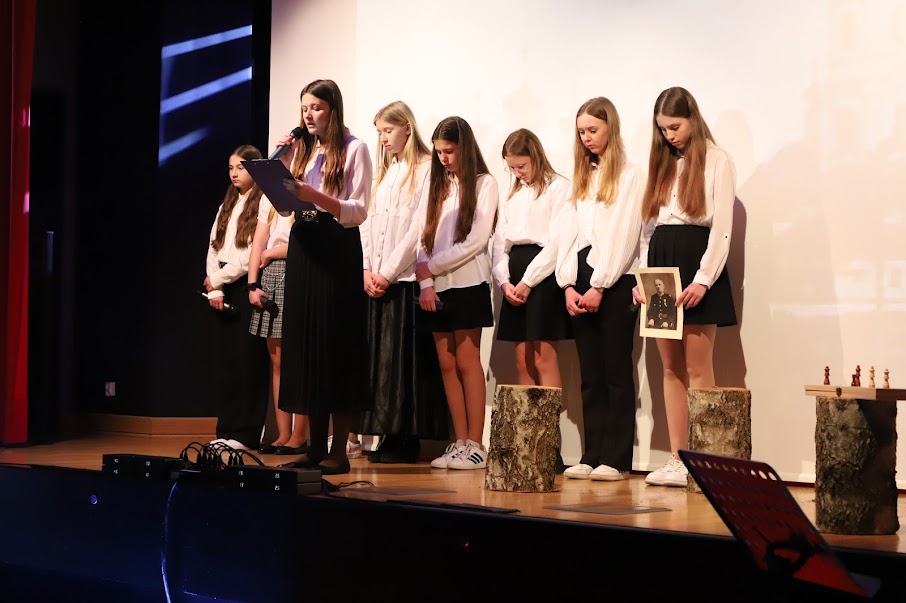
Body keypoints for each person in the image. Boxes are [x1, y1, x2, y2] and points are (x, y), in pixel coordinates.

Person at [632, 86, 737, 487]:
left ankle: (705, 459)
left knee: (697, 367)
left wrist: (703, 280)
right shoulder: (660, 164)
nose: (670, 135)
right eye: (663, 129)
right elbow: (647, 231)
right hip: (662, 265)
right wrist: (643, 279)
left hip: (696, 262)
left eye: (675, 126)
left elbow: (722, 229)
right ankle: (678, 458)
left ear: (692, 118)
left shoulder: (717, 159)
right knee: (670, 367)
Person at [274, 79, 373, 475]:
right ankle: (314, 447)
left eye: (316, 107)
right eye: (304, 108)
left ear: (333, 109)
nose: (308, 115)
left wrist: (314, 196)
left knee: (335, 344)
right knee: (308, 343)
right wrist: (280, 167)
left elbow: (357, 210)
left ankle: (338, 450)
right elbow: (286, 208)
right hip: (304, 246)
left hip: (336, 248)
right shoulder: (302, 151)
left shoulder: (354, 148)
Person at [556, 97, 643, 481]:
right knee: (590, 374)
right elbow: (568, 233)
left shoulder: (630, 175)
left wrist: (600, 285)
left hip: (615, 280)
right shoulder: (582, 175)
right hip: (581, 279)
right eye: (581, 132)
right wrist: (566, 284)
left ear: (611, 127)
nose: (587, 138)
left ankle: (617, 458)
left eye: (593, 130)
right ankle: (592, 453)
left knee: (616, 371)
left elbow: (624, 234)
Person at [358, 100, 449, 463]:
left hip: (405, 277)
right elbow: (367, 221)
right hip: (377, 277)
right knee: (380, 362)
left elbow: (418, 228)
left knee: (404, 363)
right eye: (379, 132)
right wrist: (367, 268)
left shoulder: (425, 169)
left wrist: (389, 271)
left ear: (407, 128)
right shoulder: (385, 172)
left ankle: (406, 436)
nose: (383, 138)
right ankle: (386, 432)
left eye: (388, 130)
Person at [416, 116, 499, 470]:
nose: (443, 158)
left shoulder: (484, 183)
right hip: (436, 288)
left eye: (449, 151)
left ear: (464, 147)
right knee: (447, 364)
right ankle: (461, 441)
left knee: (467, 361)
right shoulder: (438, 186)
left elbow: (477, 240)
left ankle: (477, 444)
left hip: (468, 284)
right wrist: (425, 283)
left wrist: (432, 268)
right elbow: (422, 236)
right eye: (439, 152)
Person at [491, 128, 572, 388]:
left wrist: (528, 281)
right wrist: (504, 281)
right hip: (515, 272)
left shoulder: (558, 187)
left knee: (543, 357)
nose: (518, 173)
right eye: (512, 168)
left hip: (543, 275)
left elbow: (558, 241)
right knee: (521, 360)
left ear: (536, 156)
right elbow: (501, 242)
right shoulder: (511, 193)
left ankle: (549, 417)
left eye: (522, 166)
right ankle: (528, 417)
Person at [203, 145, 270, 450]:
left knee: (247, 363)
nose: (234, 173)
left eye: (241, 167)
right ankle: (226, 428)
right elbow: (213, 246)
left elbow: (249, 255)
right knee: (227, 364)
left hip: (244, 287)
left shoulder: (262, 203)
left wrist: (219, 278)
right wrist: (214, 287)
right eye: (231, 167)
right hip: (221, 289)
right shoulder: (227, 204)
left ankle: (246, 432)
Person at [247, 195, 310, 455]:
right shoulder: (268, 196)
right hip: (271, 272)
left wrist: (272, 252)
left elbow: (306, 241)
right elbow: (259, 239)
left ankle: (300, 434)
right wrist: (253, 283)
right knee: (278, 360)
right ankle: (283, 433)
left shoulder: (307, 189)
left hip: (299, 267)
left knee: (301, 360)